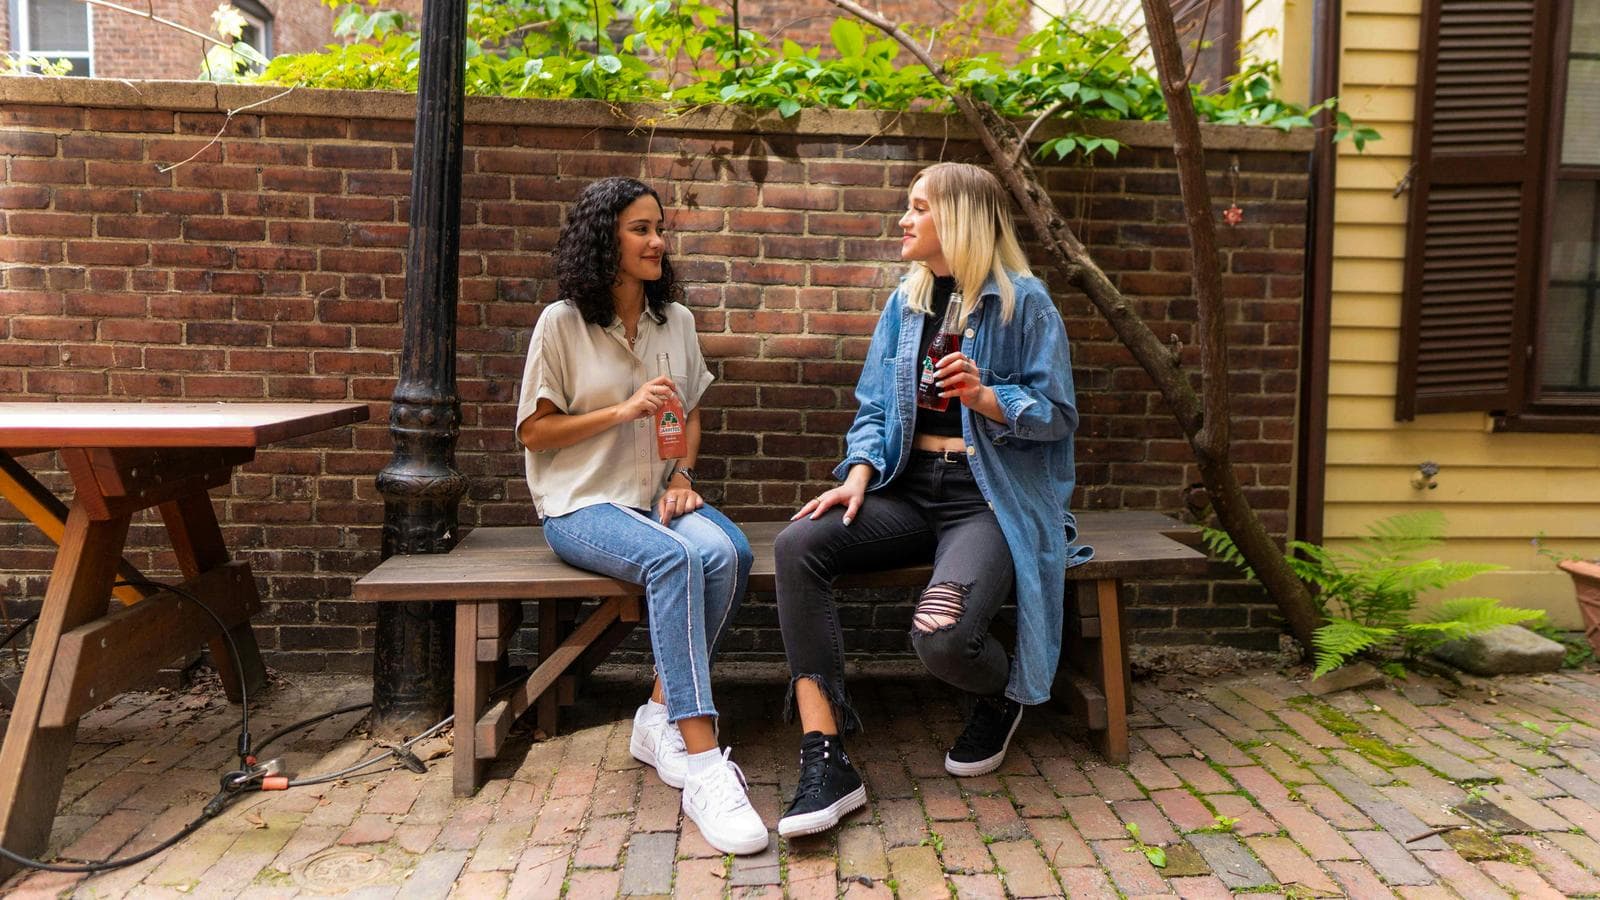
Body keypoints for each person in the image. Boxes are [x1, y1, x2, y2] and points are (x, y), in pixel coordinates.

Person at [772, 162, 1092, 839]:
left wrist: (987, 398)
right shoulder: (906, 303)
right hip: (908, 490)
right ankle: (825, 754)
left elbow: (1059, 415)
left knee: (941, 640)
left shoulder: (1025, 303)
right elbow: (872, 406)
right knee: (798, 544)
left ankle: (1004, 692)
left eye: (919, 207)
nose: (904, 219)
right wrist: (859, 468)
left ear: (960, 220)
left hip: (988, 498)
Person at [515, 177, 765, 855]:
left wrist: (682, 474)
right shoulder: (561, 323)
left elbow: (693, 412)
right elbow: (536, 434)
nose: (658, 241)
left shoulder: (675, 321)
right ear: (605, 239)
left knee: (730, 552)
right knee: (678, 556)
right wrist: (623, 411)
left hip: (657, 499)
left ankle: (657, 712)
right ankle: (704, 760)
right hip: (581, 504)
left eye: (660, 227)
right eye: (640, 229)